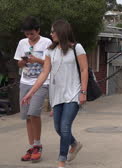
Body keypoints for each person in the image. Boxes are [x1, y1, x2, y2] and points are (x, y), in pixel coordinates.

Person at [21, 20, 88, 168]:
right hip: (56, 95)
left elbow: (84, 70)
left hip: (73, 93)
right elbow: (44, 73)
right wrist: (30, 93)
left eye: (53, 31)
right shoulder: (50, 51)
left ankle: (61, 161)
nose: (51, 34)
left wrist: (83, 92)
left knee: (64, 127)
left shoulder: (77, 48)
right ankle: (74, 144)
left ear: (61, 32)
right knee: (58, 128)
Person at [14, 16, 52, 163]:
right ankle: (31, 146)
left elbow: (50, 63)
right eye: (27, 34)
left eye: (32, 33)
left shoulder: (47, 42)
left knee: (34, 113)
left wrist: (37, 60)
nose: (29, 36)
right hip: (25, 81)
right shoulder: (22, 43)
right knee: (27, 117)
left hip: (42, 82)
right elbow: (18, 64)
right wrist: (23, 61)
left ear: (38, 30)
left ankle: (38, 145)